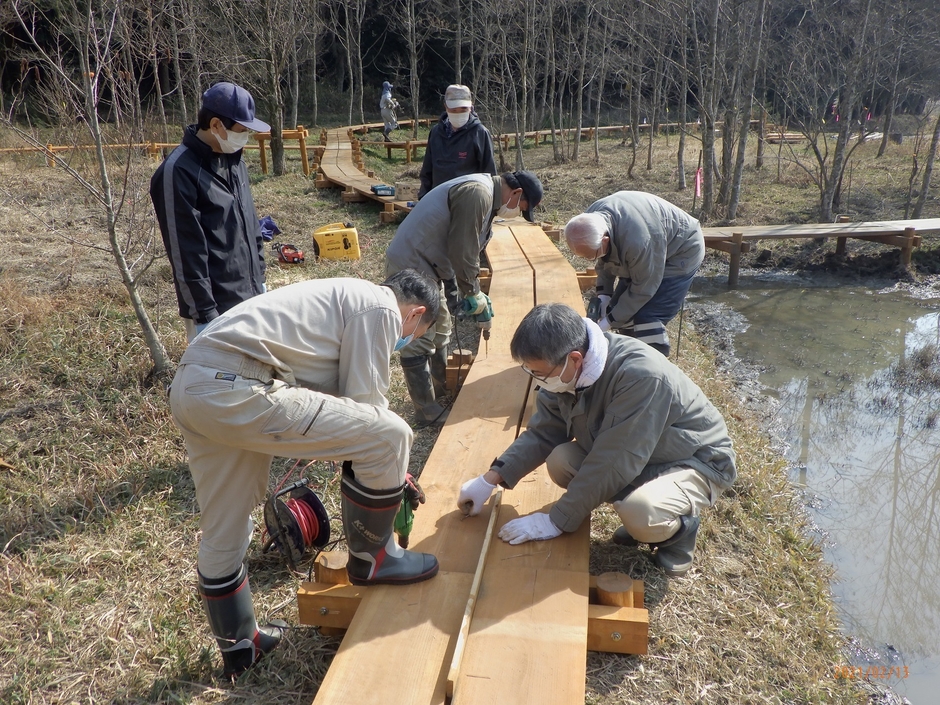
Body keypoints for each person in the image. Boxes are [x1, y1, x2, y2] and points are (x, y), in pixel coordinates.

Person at [168, 270, 442, 678]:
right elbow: (368, 407)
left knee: (227, 526)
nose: (405, 342)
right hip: (239, 383)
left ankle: (242, 647)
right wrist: (391, 471)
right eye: (416, 334)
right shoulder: (380, 306)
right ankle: (375, 560)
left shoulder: (337, 299)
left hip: (193, 387)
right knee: (391, 435)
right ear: (416, 313)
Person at [457, 303, 736, 577]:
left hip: (693, 460)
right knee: (560, 461)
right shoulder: (565, 372)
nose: (536, 380)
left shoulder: (641, 376)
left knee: (642, 512)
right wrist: (489, 480)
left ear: (575, 359)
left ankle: (677, 532)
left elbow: (613, 461)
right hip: (642, 455)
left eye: (539, 373)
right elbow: (544, 432)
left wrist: (557, 520)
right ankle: (640, 507)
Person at [385, 171, 544, 424]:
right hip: (412, 262)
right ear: (516, 193)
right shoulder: (477, 193)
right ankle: (426, 410)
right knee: (419, 335)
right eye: (522, 208)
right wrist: (473, 291)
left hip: (432, 264)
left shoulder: (487, 200)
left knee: (441, 329)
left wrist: (456, 288)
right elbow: (463, 249)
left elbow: (462, 246)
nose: (517, 212)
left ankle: (441, 390)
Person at [151, 81, 270, 343]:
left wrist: (260, 281)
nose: (245, 137)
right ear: (216, 125)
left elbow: (250, 226)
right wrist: (206, 317)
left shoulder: (234, 162)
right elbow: (186, 254)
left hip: (250, 297)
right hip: (214, 310)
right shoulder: (179, 172)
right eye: (241, 130)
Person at [563, 191, 705, 357]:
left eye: (589, 256)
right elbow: (604, 261)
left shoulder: (638, 241)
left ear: (605, 240)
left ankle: (654, 360)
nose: (588, 260)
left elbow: (643, 288)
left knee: (647, 315)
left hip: (681, 250)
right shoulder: (590, 220)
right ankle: (631, 355)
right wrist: (604, 296)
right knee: (618, 309)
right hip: (648, 246)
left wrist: (607, 323)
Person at [418, 84, 497, 200]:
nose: (459, 113)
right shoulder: (435, 133)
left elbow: (490, 173)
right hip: (437, 199)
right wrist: (423, 198)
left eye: (463, 109)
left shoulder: (480, 133)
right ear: (446, 107)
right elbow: (427, 170)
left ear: (471, 107)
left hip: (468, 202)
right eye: (454, 110)